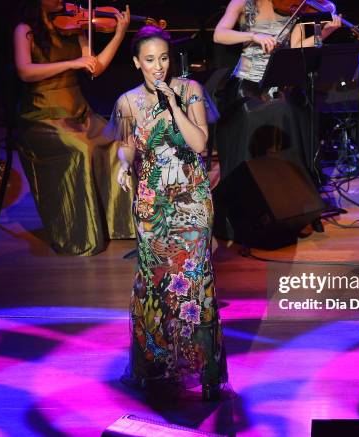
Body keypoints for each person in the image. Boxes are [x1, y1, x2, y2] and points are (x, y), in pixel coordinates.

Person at [106, 26, 228, 400]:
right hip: (151, 203)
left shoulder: (190, 90)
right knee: (154, 281)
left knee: (194, 281)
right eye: (149, 60)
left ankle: (203, 371)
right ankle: (153, 365)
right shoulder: (128, 102)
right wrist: (122, 164)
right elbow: (127, 146)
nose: (158, 67)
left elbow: (200, 142)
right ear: (136, 63)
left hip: (190, 199)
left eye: (163, 58)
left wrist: (173, 103)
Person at [13, 0, 135, 256]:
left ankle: (118, 225)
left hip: (77, 111)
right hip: (41, 114)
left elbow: (96, 67)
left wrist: (119, 35)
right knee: (80, 149)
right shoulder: (25, 30)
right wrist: (71, 64)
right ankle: (82, 233)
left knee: (116, 142)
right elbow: (25, 71)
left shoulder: (73, 27)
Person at [212, 0, 341, 239]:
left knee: (291, 116)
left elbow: (297, 48)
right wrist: (252, 35)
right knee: (252, 120)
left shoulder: (297, 8)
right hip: (245, 83)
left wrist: (325, 32)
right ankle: (248, 206)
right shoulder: (242, 2)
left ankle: (292, 206)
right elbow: (219, 35)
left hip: (276, 82)